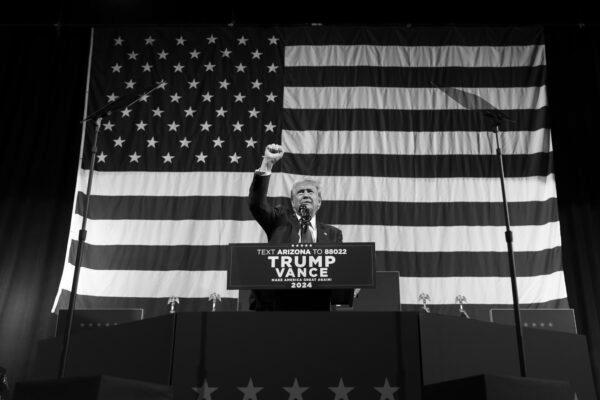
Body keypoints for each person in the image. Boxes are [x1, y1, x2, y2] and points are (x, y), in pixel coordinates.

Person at [248, 143, 353, 311]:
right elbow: (257, 204)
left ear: (319, 202)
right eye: (300, 192)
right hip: (277, 306)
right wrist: (267, 163)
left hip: (317, 307)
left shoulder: (333, 234)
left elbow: (338, 271)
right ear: (292, 202)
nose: (305, 194)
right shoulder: (279, 220)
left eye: (310, 192)